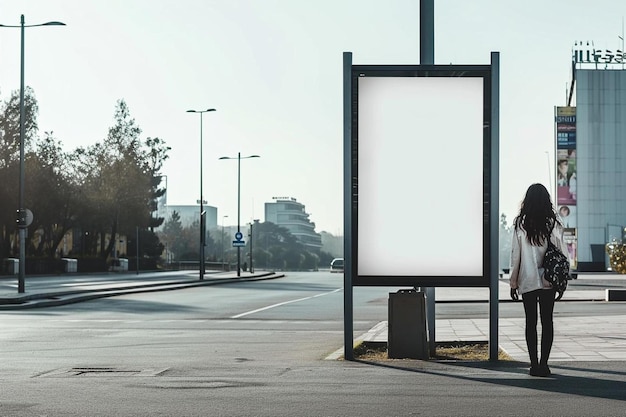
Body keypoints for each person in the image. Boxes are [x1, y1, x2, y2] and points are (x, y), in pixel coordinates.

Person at [509, 183, 569, 377]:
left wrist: (513, 283)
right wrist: (562, 281)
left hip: (527, 280)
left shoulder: (520, 223)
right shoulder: (554, 222)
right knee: (547, 321)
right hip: (549, 280)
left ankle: (534, 365)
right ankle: (544, 364)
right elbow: (562, 252)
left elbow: (515, 255)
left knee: (530, 322)